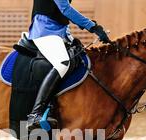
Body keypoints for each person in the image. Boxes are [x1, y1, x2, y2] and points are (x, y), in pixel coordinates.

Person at [26, 0, 111, 132]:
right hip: (44, 30)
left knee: (79, 58)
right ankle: (35, 114)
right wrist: (92, 27)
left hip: (60, 31)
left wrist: (93, 27)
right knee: (63, 63)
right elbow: (65, 9)